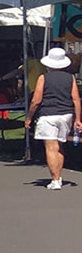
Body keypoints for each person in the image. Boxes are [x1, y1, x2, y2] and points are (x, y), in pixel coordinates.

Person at [28, 47, 80, 191]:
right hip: (66, 115)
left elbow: (36, 100)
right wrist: (77, 119)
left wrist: (29, 117)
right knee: (60, 145)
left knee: (51, 147)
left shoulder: (43, 78)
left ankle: (55, 180)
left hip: (48, 113)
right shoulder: (71, 78)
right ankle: (58, 175)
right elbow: (76, 99)